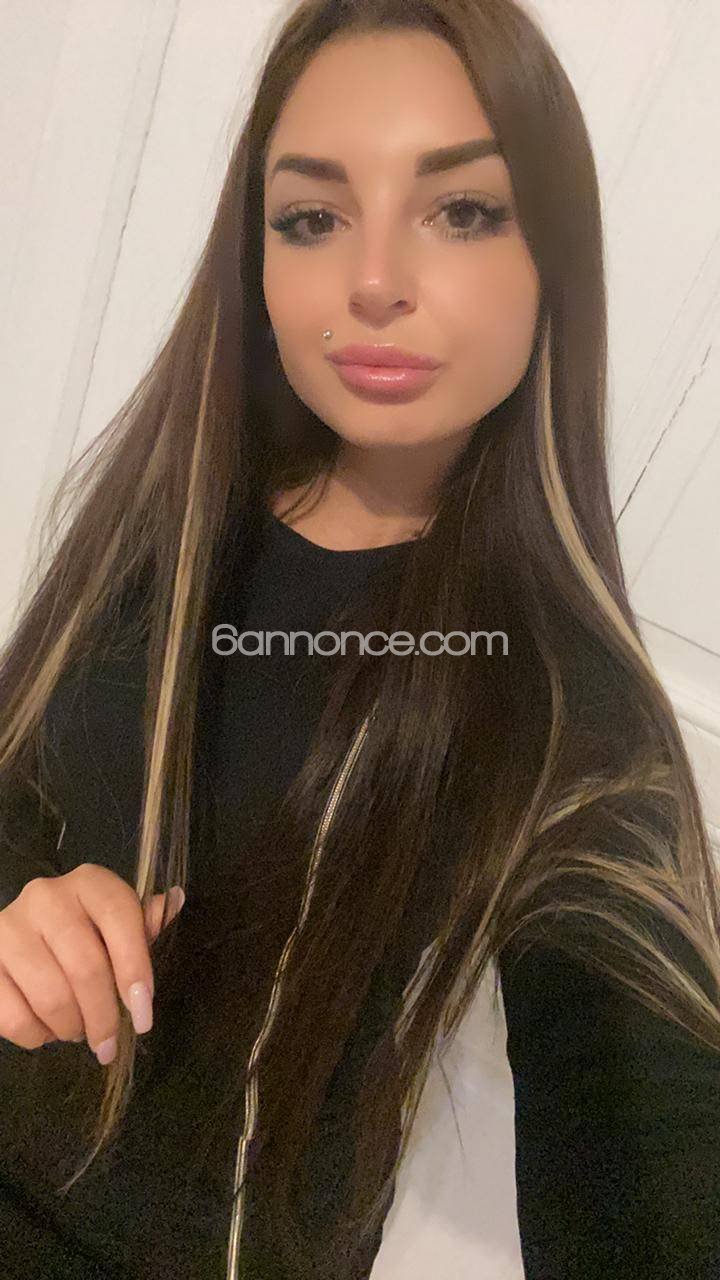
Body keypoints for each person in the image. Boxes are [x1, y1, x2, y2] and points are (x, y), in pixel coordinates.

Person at [1, 2, 719, 1277]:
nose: (373, 277)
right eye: (313, 217)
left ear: (553, 261)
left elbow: (645, 1134)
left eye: (463, 209)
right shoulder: (162, 520)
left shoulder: (574, 710)